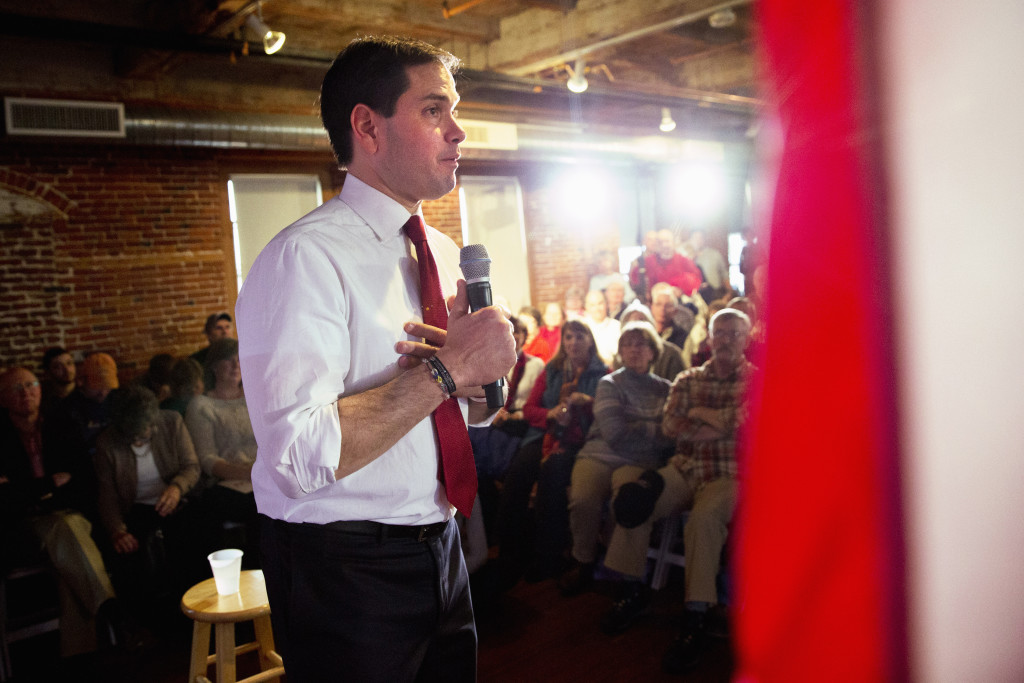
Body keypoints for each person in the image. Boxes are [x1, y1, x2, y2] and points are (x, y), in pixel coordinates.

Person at [234, 35, 515, 683]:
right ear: (368, 126)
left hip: (439, 543)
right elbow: (301, 455)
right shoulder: (305, 258)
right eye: (434, 110)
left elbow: (446, 414)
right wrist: (446, 371)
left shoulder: (441, 252)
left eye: (455, 110)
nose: (460, 130)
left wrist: (473, 385)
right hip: (343, 565)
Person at [600, 309, 755, 674]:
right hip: (684, 468)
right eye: (721, 333)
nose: (727, 340)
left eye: (735, 334)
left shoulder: (758, 380)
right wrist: (720, 421)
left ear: (746, 339)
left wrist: (701, 416)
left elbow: (750, 419)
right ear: (710, 337)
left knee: (703, 520)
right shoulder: (687, 378)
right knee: (636, 499)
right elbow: (671, 426)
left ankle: (696, 615)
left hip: (729, 473)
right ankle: (632, 589)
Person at [0, 366, 141, 656]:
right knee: (67, 535)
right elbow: (5, 499)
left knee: (67, 538)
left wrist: (28, 489)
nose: (26, 393)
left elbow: (83, 480)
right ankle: (113, 611)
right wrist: (50, 483)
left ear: (40, 390)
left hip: (70, 516)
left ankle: (80, 657)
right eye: (17, 388)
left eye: (31, 385)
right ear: (2, 398)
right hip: (21, 527)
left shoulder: (60, 425)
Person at [559, 322, 673, 596]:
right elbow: (614, 431)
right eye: (628, 344)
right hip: (600, 453)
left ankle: (620, 572)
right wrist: (651, 430)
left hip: (639, 461)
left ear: (653, 351)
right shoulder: (609, 382)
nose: (634, 349)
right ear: (620, 351)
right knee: (583, 499)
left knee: (627, 502)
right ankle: (583, 560)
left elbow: (671, 434)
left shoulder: (667, 389)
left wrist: (640, 428)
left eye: (641, 344)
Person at [496, 319, 607, 584]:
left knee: (552, 474)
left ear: (590, 340)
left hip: (578, 442)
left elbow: (604, 419)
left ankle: (548, 556)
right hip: (544, 433)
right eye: (568, 337)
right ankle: (511, 552)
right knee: (518, 473)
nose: (573, 343)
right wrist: (551, 413)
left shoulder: (602, 373)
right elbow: (531, 409)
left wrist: (587, 405)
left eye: (580, 337)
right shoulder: (553, 370)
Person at [94, 385, 202, 609]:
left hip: (177, 500)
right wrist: (117, 530)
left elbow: (191, 466)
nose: (152, 430)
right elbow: (108, 495)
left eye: (153, 424)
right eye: (145, 429)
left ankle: (197, 605)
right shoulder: (107, 443)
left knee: (192, 537)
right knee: (129, 553)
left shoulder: (171, 422)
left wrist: (176, 488)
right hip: (135, 507)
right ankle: (150, 620)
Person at [468, 315, 545, 533]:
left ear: (523, 337)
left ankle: (502, 529)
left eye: (517, 332)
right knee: (472, 447)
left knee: (494, 455)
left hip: (519, 422)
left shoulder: (534, 364)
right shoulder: (492, 361)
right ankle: (487, 530)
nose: (512, 337)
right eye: (508, 332)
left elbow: (533, 401)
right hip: (495, 419)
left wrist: (511, 415)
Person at [184, 338, 259, 561]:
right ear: (215, 366)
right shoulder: (201, 406)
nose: (236, 365)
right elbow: (207, 459)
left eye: (239, 359)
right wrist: (250, 473)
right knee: (260, 509)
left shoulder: (255, 397)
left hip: (261, 478)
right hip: (225, 484)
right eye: (228, 360)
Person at [618, 300, 685, 382]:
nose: (634, 349)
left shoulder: (671, 354)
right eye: (632, 322)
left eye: (641, 320)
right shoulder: (611, 383)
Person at [630, 229, 702, 296]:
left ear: (673, 242)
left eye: (667, 241)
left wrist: (682, 289)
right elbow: (635, 279)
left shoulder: (684, 261)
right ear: (657, 244)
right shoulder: (648, 261)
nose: (664, 245)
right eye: (661, 242)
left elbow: (697, 279)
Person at [689, 229, 733, 303]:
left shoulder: (714, 254)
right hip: (696, 298)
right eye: (695, 238)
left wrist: (730, 293)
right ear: (691, 240)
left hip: (715, 295)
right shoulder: (686, 258)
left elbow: (724, 275)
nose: (698, 241)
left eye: (700, 238)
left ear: (704, 239)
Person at [583, 289, 620, 367]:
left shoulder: (617, 326)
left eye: (600, 303)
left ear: (606, 304)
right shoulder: (582, 327)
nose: (597, 309)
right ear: (586, 307)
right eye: (592, 305)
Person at [40, 346, 76, 416]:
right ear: (48, 372)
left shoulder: (86, 392)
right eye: (58, 367)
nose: (67, 370)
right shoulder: (44, 400)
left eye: (69, 363)